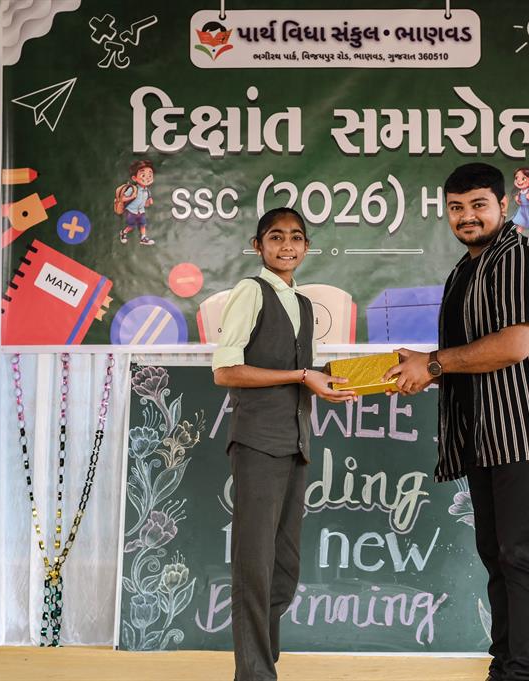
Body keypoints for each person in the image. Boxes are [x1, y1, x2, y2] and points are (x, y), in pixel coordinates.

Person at [383, 163, 529, 681]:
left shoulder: (520, 255)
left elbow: (514, 345)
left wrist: (432, 364)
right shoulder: (466, 270)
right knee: (498, 555)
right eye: (456, 208)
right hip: (485, 435)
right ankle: (507, 666)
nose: (467, 216)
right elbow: (466, 356)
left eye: (478, 205)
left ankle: (522, 674)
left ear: (503, 205)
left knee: (523, 554)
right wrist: (417, 369)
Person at [212, 207, 356, 681]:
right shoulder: (250, 292)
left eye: (296, 237)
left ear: (307, 247)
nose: (287, 245)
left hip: (295, 445)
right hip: (257, 443)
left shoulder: (305, 305)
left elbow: (305, 374)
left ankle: (264, 663)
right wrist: (300, 375)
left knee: (284, 569)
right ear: (258, 246)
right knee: (254, 568)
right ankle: (253, 674)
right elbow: (226, 371)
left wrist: (359, 378)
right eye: (276, 237)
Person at [117, 159, 156, 245]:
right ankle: (123, 232)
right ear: (134, 178)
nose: (147, 178)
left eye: (150, 175)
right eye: (143, 175)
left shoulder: (147, 191)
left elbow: (145, 204)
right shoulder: (133, 189)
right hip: (131, 211)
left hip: (141, 211)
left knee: (143, 224)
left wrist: (149, 202)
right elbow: (122, 198)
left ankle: (143, 238)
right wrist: (131, 196)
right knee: (131, 226)